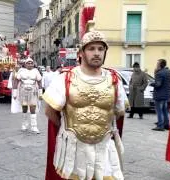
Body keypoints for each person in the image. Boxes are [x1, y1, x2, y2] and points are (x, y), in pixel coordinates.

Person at [43, 31, 126, 179]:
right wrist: (67, 130)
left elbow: (119, 112)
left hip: (104, 147)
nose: (97, 53)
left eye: (101, 49)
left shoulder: (114, 80)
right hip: (74, 149)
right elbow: (50, 111)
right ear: (81, 52)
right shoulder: (65, 79)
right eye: (91, 48)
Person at [12, 57, 42, 134]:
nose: (30, 64)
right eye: (28, 63)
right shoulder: (21, 71)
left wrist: (40, 93)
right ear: (25, 64)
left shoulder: (36, 71)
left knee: (33, 107)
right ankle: (24, 124)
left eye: (31, 63)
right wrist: (15, 93)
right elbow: (16, 81)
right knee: (24, 107)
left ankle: (34, 126)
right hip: (23, 91)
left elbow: (39, 82)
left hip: (33, 91)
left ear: (33, 64)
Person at [151, 59, 170, 131]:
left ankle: (160, 125)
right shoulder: (169, 72)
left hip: (159, 95)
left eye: (157, 64)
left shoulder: (159, 73)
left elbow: (158, 84)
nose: (156, 65)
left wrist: (151, 83)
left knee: (159, 111)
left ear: (160, 65)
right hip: (166, 94)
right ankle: (166, 124)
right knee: (165, 110)